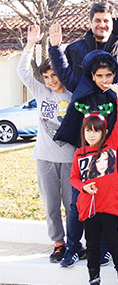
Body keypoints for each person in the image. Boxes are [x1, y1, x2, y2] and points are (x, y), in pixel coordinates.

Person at [48, 22, 118, 268]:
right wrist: (55, 47)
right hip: (84, 153)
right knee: (77, 201)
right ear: (92, 75)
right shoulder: (80, 86)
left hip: (112, 152)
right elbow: (63, 71)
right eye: (100, 76)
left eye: (109, 75)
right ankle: (73, 247)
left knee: (105, 202)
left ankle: (104, 249)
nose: (104, 80)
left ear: (114, 75)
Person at [16, 25, 76, 263]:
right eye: (46, 77)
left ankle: (74, 242)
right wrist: (30, 44)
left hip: (70, 160)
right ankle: (58, 243)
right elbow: (22, 72)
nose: (51, 80)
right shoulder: (41, 93)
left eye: (54, 75)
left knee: (71, 206)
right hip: (44, 159)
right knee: (51, 205)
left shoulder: (73, 95)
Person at [69, 83, 118, 285]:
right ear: (83, 131)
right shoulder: (79, 154)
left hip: (108, 205)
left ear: (104, 132)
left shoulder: (110, 146)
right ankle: (94, 283)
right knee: (92, 245)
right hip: (89, 207)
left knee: (114, 243)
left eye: (96, 131)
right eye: (88, 130)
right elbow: (74, 178)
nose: (92, 135)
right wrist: (83, 186)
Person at [65, 2, 118, 77]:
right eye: (98, 20)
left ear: (112, 23)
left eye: (106, 21)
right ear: (91, 23)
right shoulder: (73, 49)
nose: (102, 25)